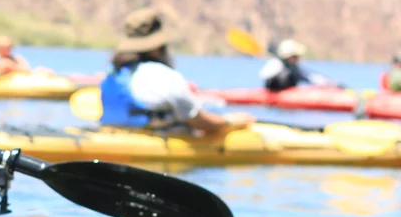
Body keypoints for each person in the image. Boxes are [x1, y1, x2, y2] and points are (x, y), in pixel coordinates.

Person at [99, 7, 254, 135]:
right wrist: (231, 120)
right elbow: (203, 123)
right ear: (157, 48)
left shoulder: (114, 72)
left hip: (114, 133)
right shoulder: (163, 76)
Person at [259, 38, 333, 92]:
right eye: (295, 57)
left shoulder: (295, 69)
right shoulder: (276, 64)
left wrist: (331, 84)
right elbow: (264, 76)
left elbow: (311, 77)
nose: (298, 59)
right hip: (274, 91)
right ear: (288, 56)